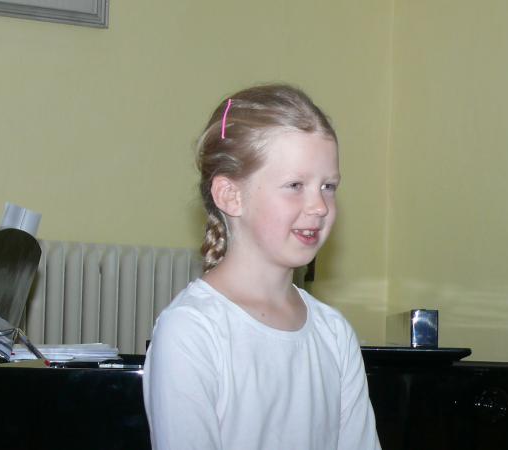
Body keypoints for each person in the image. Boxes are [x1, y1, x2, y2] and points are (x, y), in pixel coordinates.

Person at [142, 84, 381, 450]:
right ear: (230, 195)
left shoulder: (334, 333)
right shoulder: (193, 331)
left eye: (328, 186)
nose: (319, 206)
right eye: (295, 185)